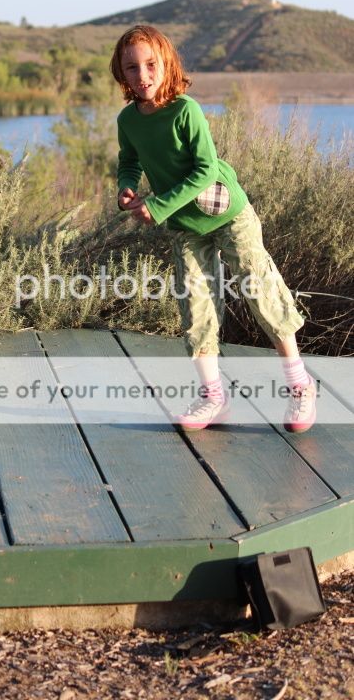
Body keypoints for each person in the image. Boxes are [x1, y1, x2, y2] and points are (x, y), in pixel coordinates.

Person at [110, 24, 317, 433]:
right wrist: (127, 186)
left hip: (228, 214)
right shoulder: (128, 120)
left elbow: (206, 170)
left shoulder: (184, 110)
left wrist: (159, 205)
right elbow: (129, 159)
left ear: (167, 65)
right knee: (195, 303)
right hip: (185, 224)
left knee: (258, 287)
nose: (143, 75)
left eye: (151, 64)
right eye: (132, 67)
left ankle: (300, 384)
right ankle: (213, 397)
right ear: (122, 74)